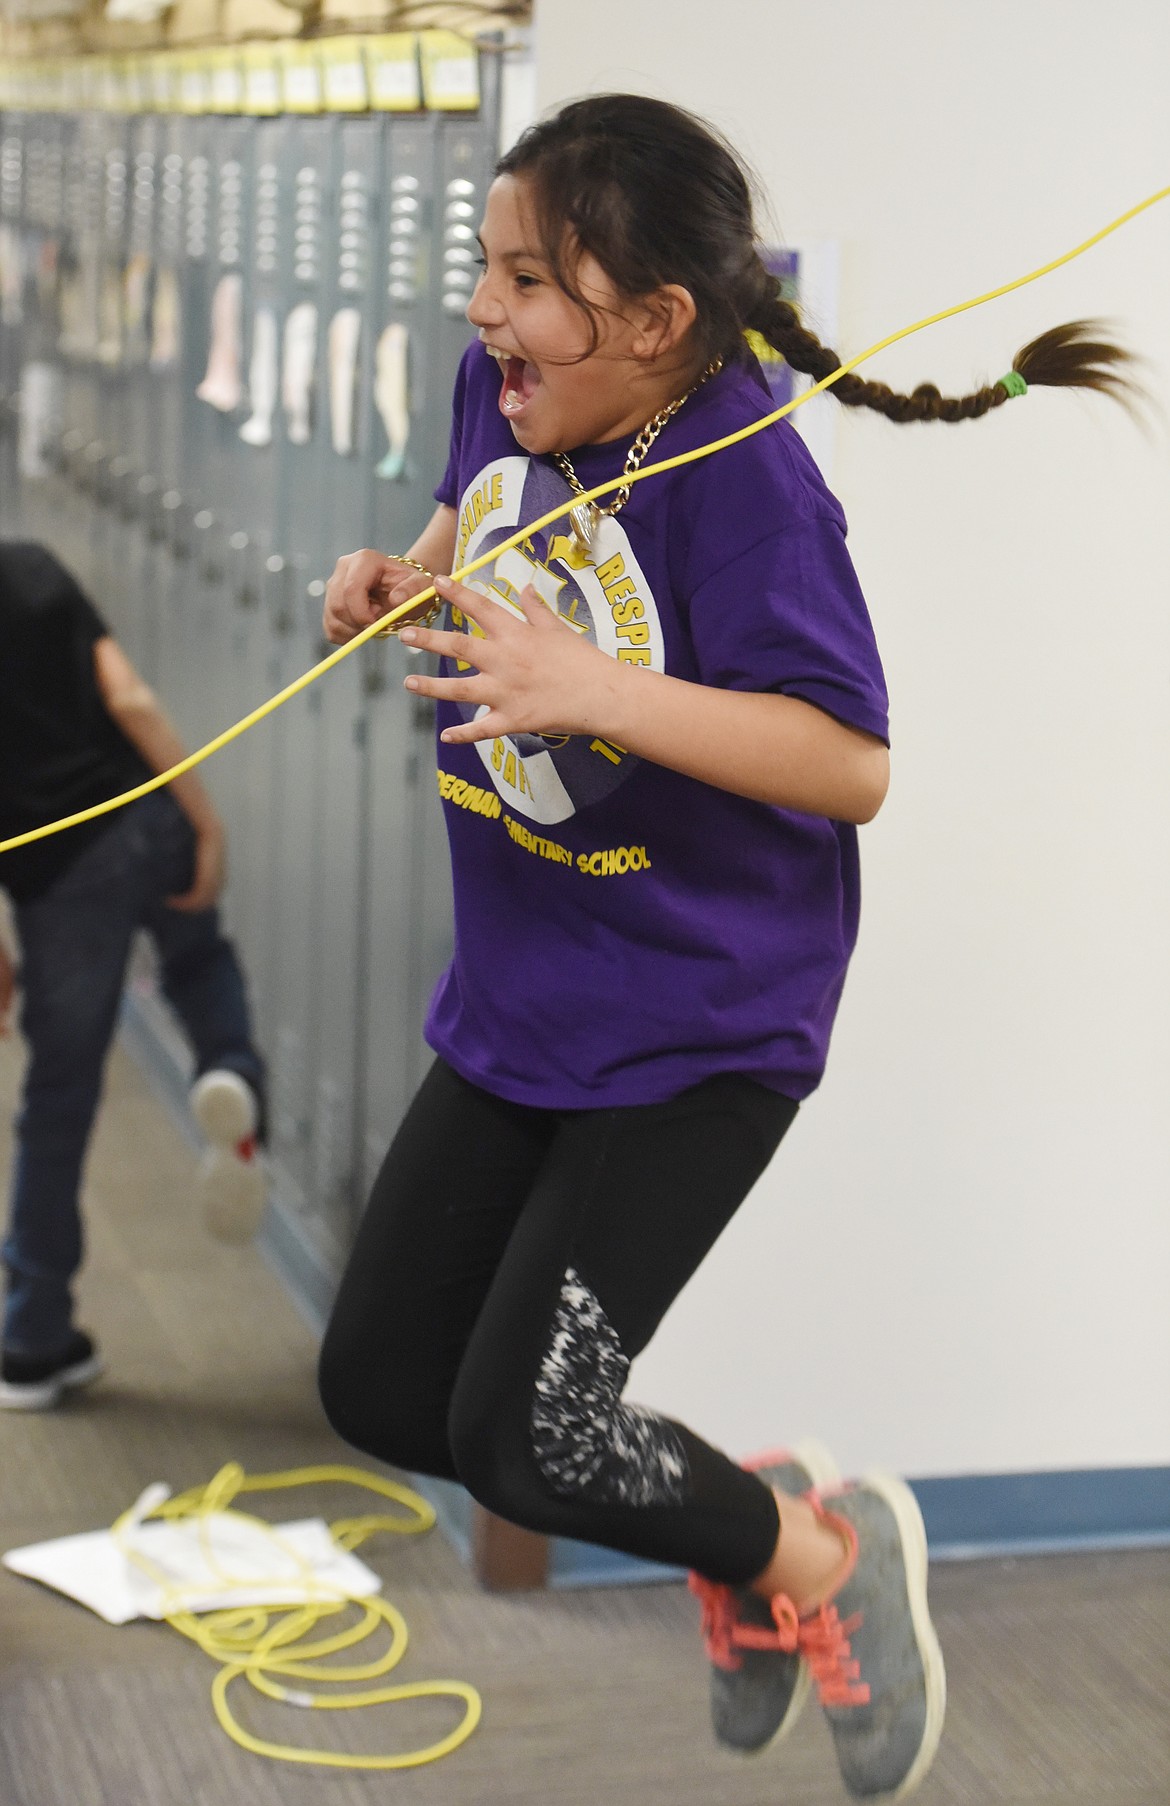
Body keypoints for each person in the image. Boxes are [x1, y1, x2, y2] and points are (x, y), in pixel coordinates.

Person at [316, 95, 1130, 1799]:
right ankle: (746, 1521)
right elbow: (485, 515)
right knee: (390, 1391)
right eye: (487, 265)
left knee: (525, 1434)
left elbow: (853, 763)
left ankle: (818, 1559)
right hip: (529, 983)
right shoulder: (518, 386)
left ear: (659, 322)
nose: (486, 309)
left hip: (701, 1015)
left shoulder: (749, 480)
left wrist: (601, 692)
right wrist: (408, 576)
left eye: (531, 280)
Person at [0, 541, 266, 1412]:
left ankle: (34, 1339)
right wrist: (205, 820)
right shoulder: (34, 566)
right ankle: (230, 1072)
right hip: (140, 812)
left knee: (60, 1098)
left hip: (59, 880)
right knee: (198, 959)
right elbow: (130, 697)